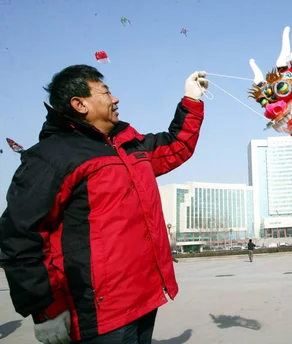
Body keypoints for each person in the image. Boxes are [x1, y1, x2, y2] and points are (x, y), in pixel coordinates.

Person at [0, 65, 209, 343]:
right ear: (80, 104)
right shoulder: (52, 156)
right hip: (97, 313)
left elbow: (174, 147)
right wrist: (45, 310)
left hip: (144, 298)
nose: (115, 99)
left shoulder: (130, 146)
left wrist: (191, 101)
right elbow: (19, 236)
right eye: (106, 91)